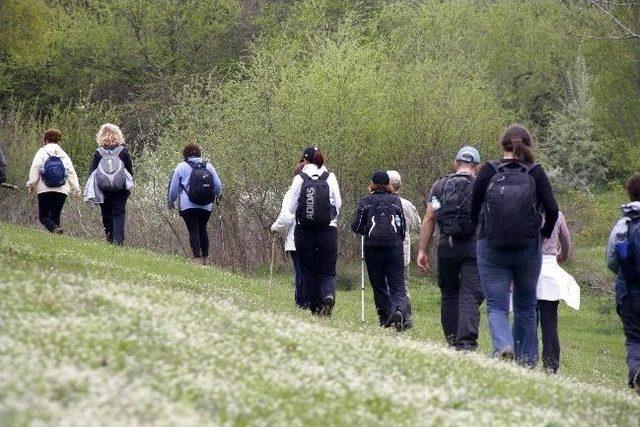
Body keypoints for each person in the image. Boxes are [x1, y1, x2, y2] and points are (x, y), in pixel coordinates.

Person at [471, 124, 559, 367]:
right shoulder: (536, 172)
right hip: (528, 249)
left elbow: (474, 206)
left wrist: (482, 230)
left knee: (497, 305)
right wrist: (542, 234)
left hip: (491, 247)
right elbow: (552, 209)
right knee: (526, 306)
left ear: (503, 146)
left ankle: (503, 345)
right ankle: (527, 361)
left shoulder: (488, 170)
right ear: (528, 145)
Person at [417, 146, 484, 350]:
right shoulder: (482, 185)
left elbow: (430, 217)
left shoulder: (439, 186)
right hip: (474, 246)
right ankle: (467, 343)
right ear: (477, 167)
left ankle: (452, 340)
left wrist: (422, 250)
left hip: (447, 245)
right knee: (470, 294)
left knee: (449, 293)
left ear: (455, 164)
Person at [286, 146, 342, 317]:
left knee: (308, 269)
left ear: (305, 160)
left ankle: (316, 309)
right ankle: (328, 294)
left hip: (304, 231)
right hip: (328, 230)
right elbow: (338, 204)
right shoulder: (330, 177)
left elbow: (290, 207)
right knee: (327, 268)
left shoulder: (300, 178)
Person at [352, 170, 408, 330]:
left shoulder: (365, 202)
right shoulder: (396, 202)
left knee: (378, 285)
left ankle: (385, 319)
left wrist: (367, 231)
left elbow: (356, 226)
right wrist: (398, 242)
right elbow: (401, 227)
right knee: (397, 285)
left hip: (372, 249)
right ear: (388, 184)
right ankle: (399, 311)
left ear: (372, 184)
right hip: (394, 248)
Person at [606, 173, 640, 395]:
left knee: (635, 337)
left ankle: (637, 370)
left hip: (628, 291)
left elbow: (611, 260)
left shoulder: (624, 222)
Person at [536, 211, 580, 374]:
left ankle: (527, 357)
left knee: (528, 317)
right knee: (549, 321)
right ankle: (551, 363)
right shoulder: (557, 214)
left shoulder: (526, 209)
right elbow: (566, 239)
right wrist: (563, 255)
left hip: (529, 266)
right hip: (549, 269)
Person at [167, 143, 223, 265]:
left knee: (193, 230)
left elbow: (173, 188)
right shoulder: (208, 166)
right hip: (206, 205)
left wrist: (171, 201)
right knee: (203, 229)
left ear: (185, 154)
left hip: (188, 205)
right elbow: (218, 185)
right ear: (199, 153)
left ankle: (197, 258)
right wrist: (219, 195)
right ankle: (205, 259)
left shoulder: (181, 167)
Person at [26, 129, 82, 233]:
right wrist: (76, 189)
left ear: (45, 140)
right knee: (55, 216)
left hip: (44, 188)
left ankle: (55, 230)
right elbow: (71, 172)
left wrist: (31, 185)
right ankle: (56, 234)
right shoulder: (63, 154)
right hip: (61, 189)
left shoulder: (41, 151)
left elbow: (35, 168)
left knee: (43, 216)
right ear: (59, 141)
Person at [271, 161, 307, 309]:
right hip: (319, 238)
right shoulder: (323, 189)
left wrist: (275, 228)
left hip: (296, 238)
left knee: (300, 271)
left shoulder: (292, 192)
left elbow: (287, 216)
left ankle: (302, 303)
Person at [90, 123, 133, 245]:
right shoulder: (123, 151)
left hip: (103, 189)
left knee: (106, 213)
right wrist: (127, 189)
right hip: (120, 190)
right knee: (118, 213)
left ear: (101, 136)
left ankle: (109, 239)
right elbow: (129, 172)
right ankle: (118, 241)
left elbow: (93, 173)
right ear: (117, 135)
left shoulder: (98, 152)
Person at [387, 170, 420, 328]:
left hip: (383, 251)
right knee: (402, 285)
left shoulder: (377, 201)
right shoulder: (407, 205)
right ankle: (406, 317)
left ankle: (391, 314)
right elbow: (417, 225)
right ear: (399, 185)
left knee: (387, 284)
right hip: (403, 250)